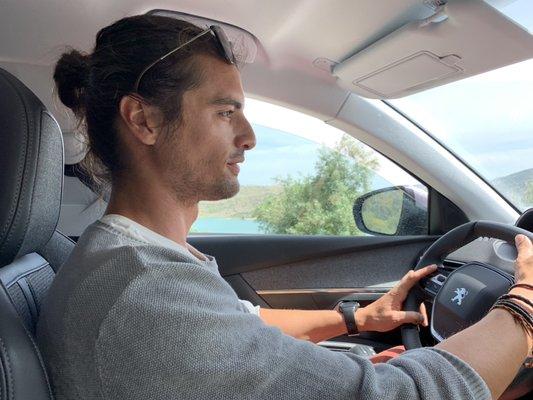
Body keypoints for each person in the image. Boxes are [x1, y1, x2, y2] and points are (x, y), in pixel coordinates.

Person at [37, 15, 532, 400]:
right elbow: (409, 395)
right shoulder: (144, 289)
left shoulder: (137, 261)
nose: (248, 137)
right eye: (225, 111)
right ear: (142, 119)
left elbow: (239, 326)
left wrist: (356, 322)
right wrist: (523, 305)